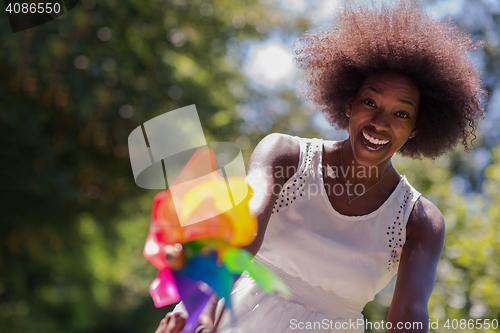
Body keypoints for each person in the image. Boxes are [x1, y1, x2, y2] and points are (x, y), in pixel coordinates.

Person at [155, 1, 485, 332]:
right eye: (370, 102)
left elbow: (410, 314)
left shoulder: (420, 221)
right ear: (348, 104)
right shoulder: (285, 155)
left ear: (415, 129)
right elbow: (246, 229)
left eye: (401, 113)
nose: (381, 123)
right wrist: (200, 302)